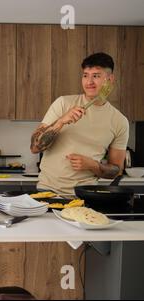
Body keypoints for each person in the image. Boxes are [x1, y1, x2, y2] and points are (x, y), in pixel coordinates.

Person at [30, 52, 129, 195]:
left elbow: (116, 170)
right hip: (47, 190)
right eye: (85, 75)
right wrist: (61, 121)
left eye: (96, 76)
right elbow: (34, 147)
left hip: (85, 194)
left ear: (110, 79)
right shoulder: (63, 103)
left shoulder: (119, 121)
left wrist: (93, 165)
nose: (89, 82)